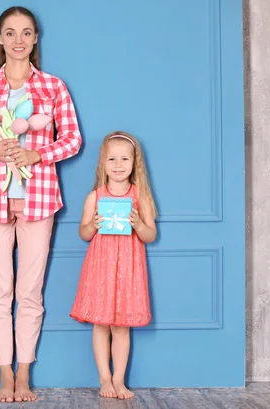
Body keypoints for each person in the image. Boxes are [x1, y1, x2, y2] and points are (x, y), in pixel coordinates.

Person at [0, 5, 82, 403]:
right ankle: (5, 376)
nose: (18, 40)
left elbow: (72, 139)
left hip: (39, 199)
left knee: (30, 292)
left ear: (35, 39)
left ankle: (24, 375)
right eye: (10, 33)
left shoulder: (53, 88)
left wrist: (37, 156)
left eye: (26, 33)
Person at [69, 131, 157, 400]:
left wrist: (138, 224)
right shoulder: (94, 197)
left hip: (128, 267)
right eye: (112, 159)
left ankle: (119, 379)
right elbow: (83, 233)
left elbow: (150, 235)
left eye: (124, 159)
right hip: (101, 266)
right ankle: (104, 378)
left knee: (121, 327)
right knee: (100, 324)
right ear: (102, 164)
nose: (118, 165)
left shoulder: (139, 196)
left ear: (134, 163)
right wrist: (91, 225)